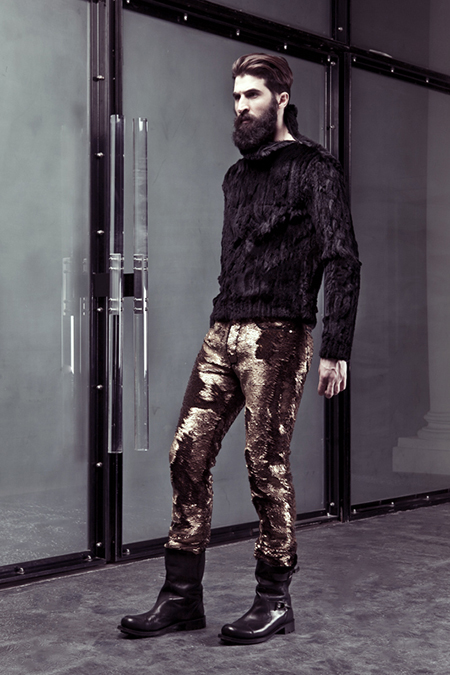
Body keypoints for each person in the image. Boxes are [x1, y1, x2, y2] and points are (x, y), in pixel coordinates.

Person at [119, 53, 360, 645]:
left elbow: (342, 258)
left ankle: (274, 600)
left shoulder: (315, 167)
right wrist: (221, 324)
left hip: (279, 336)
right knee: (187, 454)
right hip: (223, 330)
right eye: (236, 97)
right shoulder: (235, 176)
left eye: (252, 95)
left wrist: (335, 348)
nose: (242, 106)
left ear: (281, 99)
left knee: (264, 463)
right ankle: (181, 597)